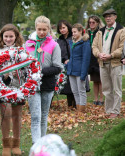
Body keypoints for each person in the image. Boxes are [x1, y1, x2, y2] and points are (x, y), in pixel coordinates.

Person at [26, 16, 63, 144]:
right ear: (35, 28)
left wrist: (40, 72)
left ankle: (42, 143)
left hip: (47, 83)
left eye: (44, 29)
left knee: (43, 116)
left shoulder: (54, 45)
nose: (41, 32)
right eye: (39, 29)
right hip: (32, 84)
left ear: (49, 29)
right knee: (35, 116)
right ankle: (36, 144)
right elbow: (24, 63)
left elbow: (58, 67)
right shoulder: (28, 44)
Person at [0, 24, 25, 156]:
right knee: (5, 114)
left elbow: (27, 67)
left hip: (18, 85)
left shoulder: (21, 50)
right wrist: (2, 74)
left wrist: (20, 72)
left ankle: (16, 144)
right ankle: (6, 145)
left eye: (11, 36)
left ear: (16, 36)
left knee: (17, 115)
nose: (9, 39)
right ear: (2, 36)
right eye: (6, 36)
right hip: (2, 86)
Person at [92, 9, 125, 118]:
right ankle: (109, 110)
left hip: (115, 63)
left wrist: (111, 55)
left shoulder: (121, 30)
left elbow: (122, 48)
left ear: (115, 17)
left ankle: (115, 111)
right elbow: (94, 46)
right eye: (106, 16)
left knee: (116, 88)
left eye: (110, 16)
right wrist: (99, 54)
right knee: (106, 89)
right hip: (102, 63)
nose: (108, 18)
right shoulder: (100, 31)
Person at [67, 23, 91, 113]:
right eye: (72, 32)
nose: (73, 34)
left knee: (81, 90)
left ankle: (82, 110)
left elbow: (86, 59)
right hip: (71, 70)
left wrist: (83, 73)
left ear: (81, 31)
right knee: (74, 91)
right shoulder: (72, 42)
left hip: (80, 70)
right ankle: (78, 108)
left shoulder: (85, 42)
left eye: (75, 32)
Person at [57, 20, 76, 109]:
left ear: (68, 27)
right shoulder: (59, 40)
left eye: (64, 28)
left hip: (74, 64)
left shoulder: (73, 38)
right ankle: (69, 105)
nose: (62, 30)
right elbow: (58, 53)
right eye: (60, 28)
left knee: (75, 84)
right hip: (64, 64)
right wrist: (63, 60)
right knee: (68, 85)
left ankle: (76, 104)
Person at [86, 15, 105, 105]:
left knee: (100, 80)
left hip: (98, 58)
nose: (91, 24)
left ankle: (101, 99)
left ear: (97, 23)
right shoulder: (87, 33)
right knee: (94, 80)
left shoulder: (101, 32)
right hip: (91, 60)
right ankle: (95, 98)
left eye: (93, 22)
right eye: (90, 22)